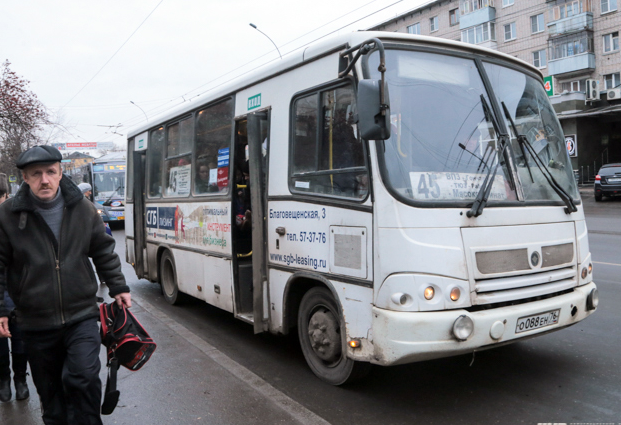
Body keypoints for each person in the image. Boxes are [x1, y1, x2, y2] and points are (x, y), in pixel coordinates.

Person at [0, 145, 131, 425]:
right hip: (35, 321)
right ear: (24, 178)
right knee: (51, 394)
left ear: (61, 173)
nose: (44, 180)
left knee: (83, 377)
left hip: (81, 313)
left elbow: (103, 249)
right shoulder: (8, 215)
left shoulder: (82, 208)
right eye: (36, 174)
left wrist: (118, 286)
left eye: (50, 172)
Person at [0, 174, 29, 403]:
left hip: (17, 296)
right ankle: (4, 381)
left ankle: (20, 380)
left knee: (20, 342)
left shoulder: (17, 221)